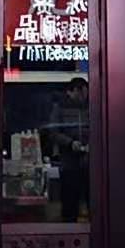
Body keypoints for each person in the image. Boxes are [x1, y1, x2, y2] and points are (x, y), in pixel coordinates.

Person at [47, 76, 90, 222]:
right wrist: (70, 143)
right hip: (69, 161)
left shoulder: (91, 108)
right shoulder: (60, 108)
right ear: (71, 91)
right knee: (70, 199)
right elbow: (53, 132)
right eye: (81, 93)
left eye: (85, 93)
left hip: (89, 162)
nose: (84, 97)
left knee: (92, 197)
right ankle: (69, 225)